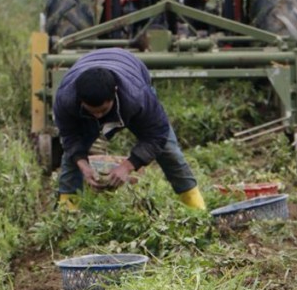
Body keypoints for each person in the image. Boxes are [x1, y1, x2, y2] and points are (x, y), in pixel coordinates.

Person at [53, 48, 206, 212]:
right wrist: (84, 167)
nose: (97, 116)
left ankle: (196, 209)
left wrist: (126, 166)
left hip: (131, 70)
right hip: (86, 70)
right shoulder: (65, 98)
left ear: (115, 93)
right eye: (92, 111)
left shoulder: (137, 96)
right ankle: (66, 213)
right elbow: (69, 137)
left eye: (103, 111)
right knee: (72, 158)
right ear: (80, 99)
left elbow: (157, 134)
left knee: (169, 151)